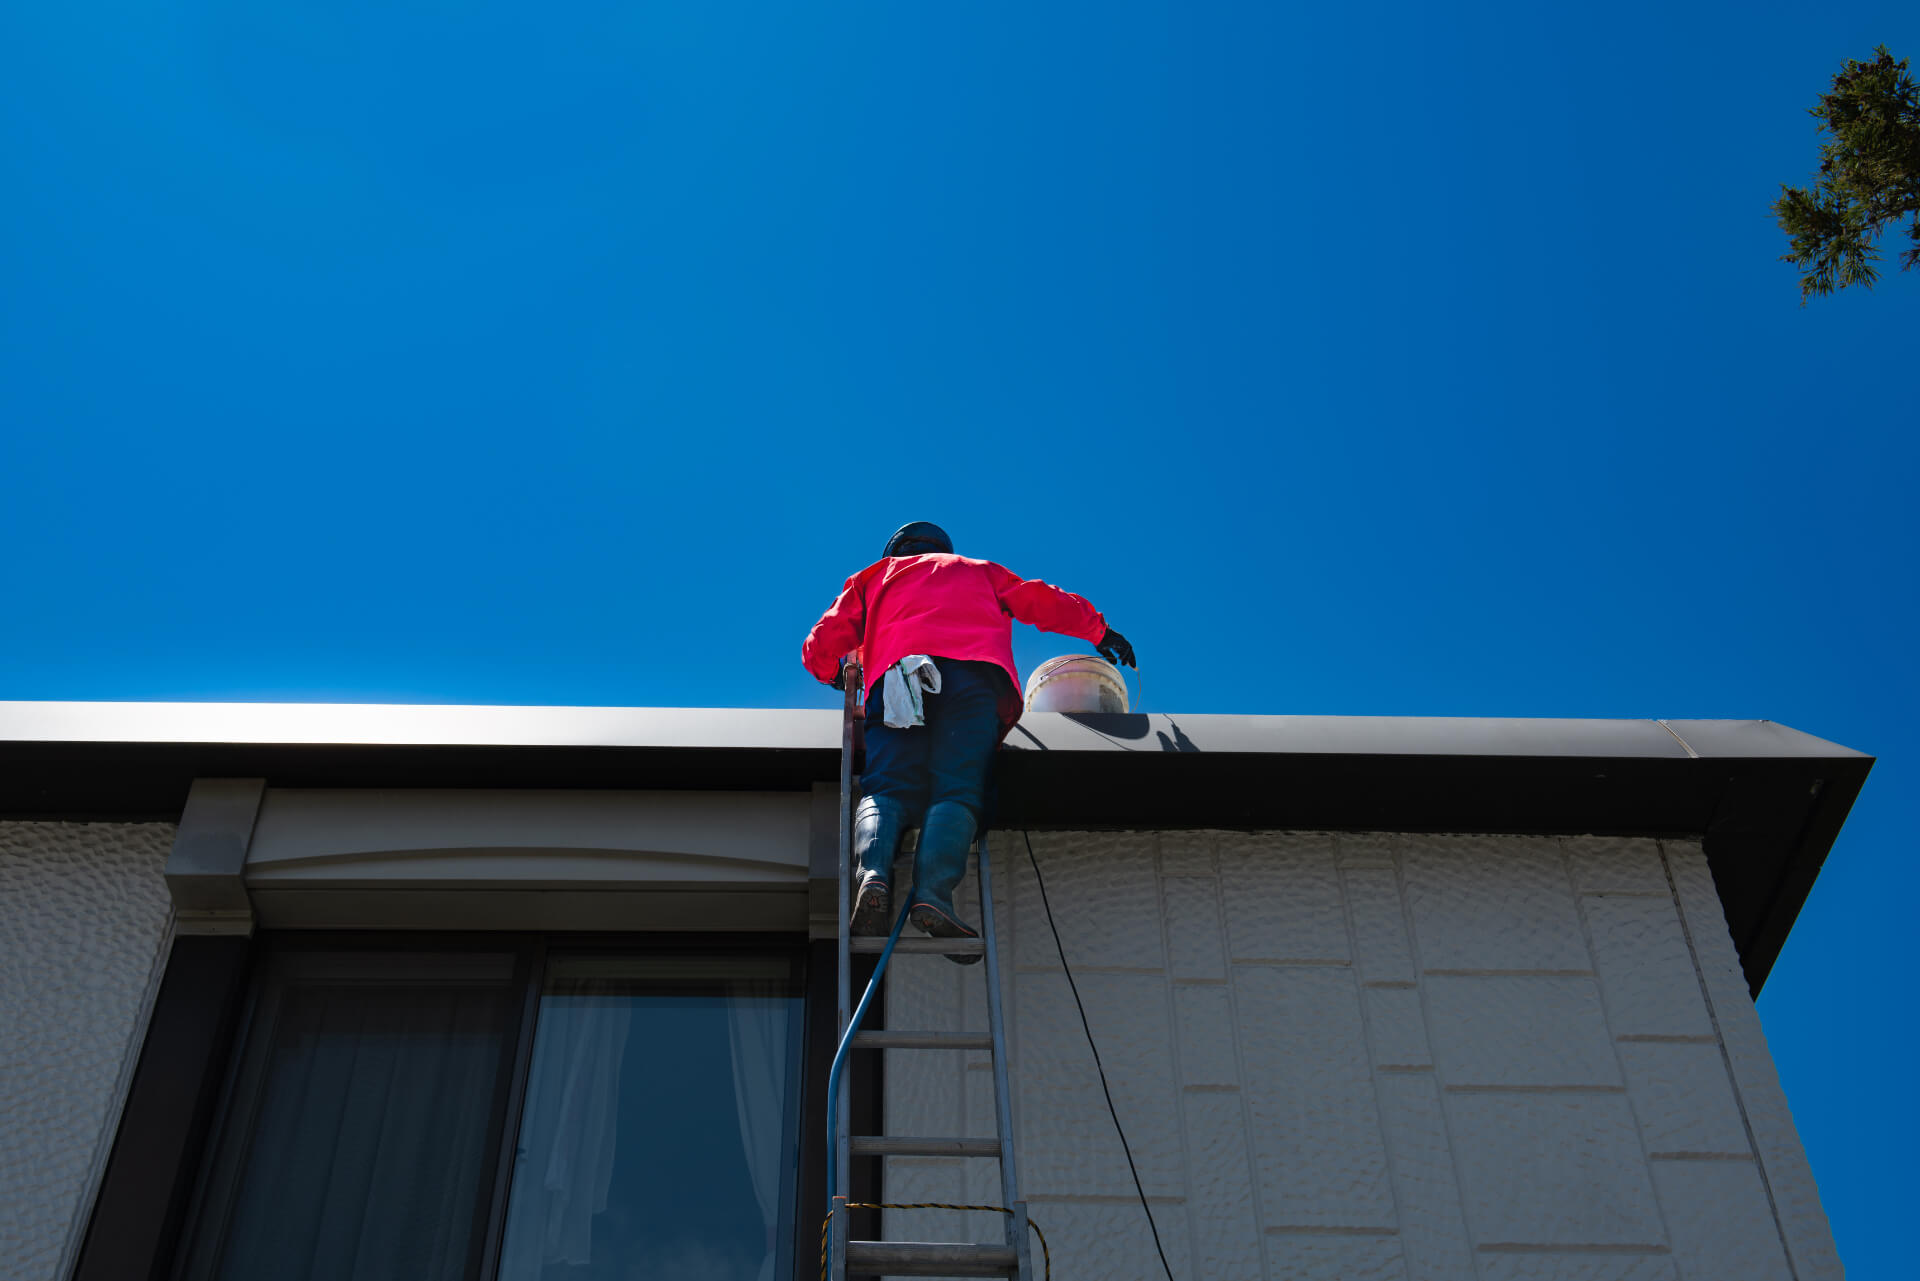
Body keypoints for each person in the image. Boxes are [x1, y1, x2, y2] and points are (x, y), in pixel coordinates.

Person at [801, 521, 1135, 961]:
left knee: (887, 785)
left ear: (895, 550)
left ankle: (874, 876)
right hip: (974, 682)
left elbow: (823, 640)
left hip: (901, 678)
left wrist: (831, 673)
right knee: (957, 786)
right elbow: (1039, 598)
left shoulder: (874, 577)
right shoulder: (979, 570)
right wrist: (1099, 630)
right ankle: (933, 895)